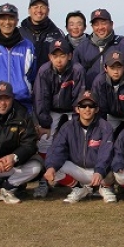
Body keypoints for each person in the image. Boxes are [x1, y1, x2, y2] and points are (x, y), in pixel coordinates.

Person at [32, 39, 86, 198]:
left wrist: (78, 121)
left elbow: (79, 97)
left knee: (76, 141)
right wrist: (44, 123)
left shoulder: (77, 70)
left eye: (62, 55)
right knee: (45, 141)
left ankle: (77, 180)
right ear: (50, 57)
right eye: (55, 56)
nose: (59, 60)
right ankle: (44, 180)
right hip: (52, 111)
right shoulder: (44, 70)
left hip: (73, 111)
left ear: (69, 56)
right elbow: (41, 98)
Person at [43, 92, 117, 204]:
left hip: (100, 172)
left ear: (96, 109)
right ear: (77, 109)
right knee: (54, 167)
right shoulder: (68, 127)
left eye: (91, 106)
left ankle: (105, 188)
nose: (87, 109)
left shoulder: (105, 127)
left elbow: (106, 152)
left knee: (115, 169)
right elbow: (57, 149)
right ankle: (78, 188)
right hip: (78, 169)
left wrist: (99, 171)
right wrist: (51, 167)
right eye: (83, 106)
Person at [73, 8, 124, 90]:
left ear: (111, 24)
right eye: (96, 24)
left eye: (103, 23)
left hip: (118, 94)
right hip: (90, 94)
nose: (100, 27)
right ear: (92, 27)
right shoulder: (82, 47)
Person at [91, 50, 124, 136]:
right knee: (102, 134)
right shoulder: (99, 82)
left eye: (119, 67)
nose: (116, 71)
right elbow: (100, 110)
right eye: (112, 68)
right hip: (110, 115)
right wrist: (103, 129)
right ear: (105, 68)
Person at [19, 0, 65, 70]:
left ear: (48, 11)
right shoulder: (18, 33)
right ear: (29, 10)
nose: (39, 10)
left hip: (48, 76)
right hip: (24, 76)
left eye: (42, 7)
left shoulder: (57, 33)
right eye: (35, 7)